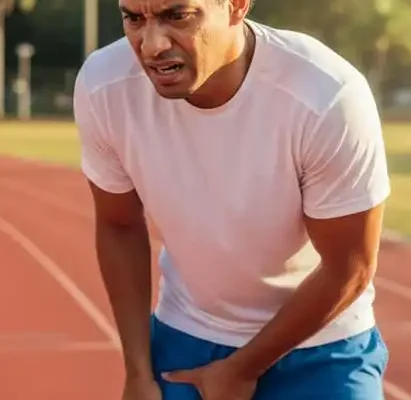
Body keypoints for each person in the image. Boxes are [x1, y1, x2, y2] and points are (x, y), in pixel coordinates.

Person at [73, 1, 391, 399]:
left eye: (178, 16)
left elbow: (351, 265)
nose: (151, 45)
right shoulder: (105, 85)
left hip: (321, 345)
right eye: (134, 18)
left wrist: (242, 369)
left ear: (237, 5)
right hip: (187, 335)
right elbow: (118, 224)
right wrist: (137, 371)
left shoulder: (325, 95)